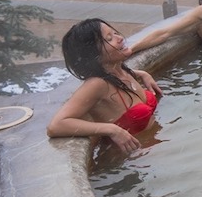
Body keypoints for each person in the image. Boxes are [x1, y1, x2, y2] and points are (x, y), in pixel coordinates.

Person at [46, 18, 162, 153]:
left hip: (153, 148)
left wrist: (142, 74)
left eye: (115, 33)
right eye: (109, 38)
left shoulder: (121, 72)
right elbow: (56, 126)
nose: (119, 38)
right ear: (94, 55)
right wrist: (111, 129)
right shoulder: (97, 85)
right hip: (134, 161)